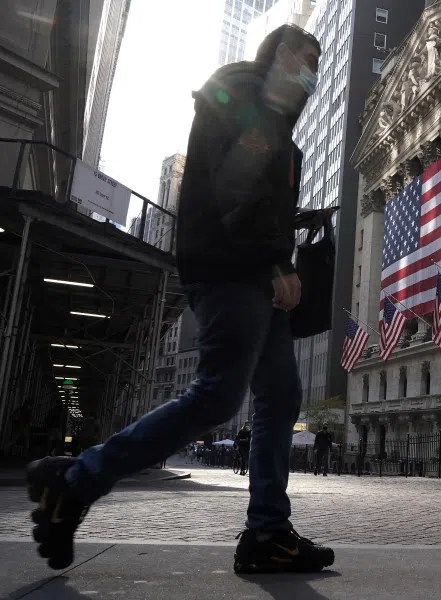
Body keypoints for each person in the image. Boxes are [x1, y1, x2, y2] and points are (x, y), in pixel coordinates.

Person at [24, 23, 334, 575]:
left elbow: (252, 188)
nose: (312, 75)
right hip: (232, 273)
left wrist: (296, 224)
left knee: (280, 398)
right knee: (216, 396)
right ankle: (76, 480)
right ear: (282, 54)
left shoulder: (278, 127)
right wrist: (277, 260)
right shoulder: (244, 94)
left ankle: (267, 530)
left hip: (256, 277)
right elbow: (235, 185)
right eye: (307, 60)